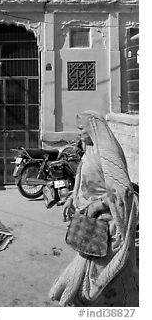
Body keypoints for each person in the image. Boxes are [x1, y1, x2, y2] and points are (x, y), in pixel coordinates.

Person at [49, 110, 138, 307]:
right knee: (86, 269)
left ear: (94, 129)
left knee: (104, 276)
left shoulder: (107, 154)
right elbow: (84, 180)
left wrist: (99, 205)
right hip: (90, 224)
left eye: (82, 129)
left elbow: (124, 190)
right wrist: (72, 198)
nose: (79, 132)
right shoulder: (89, 150)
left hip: (106, 227)